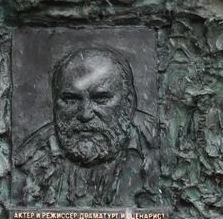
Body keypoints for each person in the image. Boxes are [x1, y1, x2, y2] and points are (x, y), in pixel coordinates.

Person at [15, 46, 161, 207]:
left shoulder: (161, 153)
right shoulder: (27, 161)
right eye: (71, 100)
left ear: (128, 104)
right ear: (55, 105)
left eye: (101, 99)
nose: (85, 114)